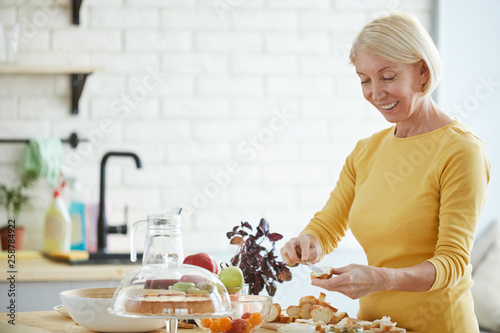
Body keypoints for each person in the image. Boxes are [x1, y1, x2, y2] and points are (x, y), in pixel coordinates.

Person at [280, 11, 490, 333]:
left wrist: (380, 279)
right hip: (377, 326)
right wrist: (307, 242)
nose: (375, 94)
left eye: (388, 77)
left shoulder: (460, 150)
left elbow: (452, 263)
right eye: (364, 80)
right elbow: (329, 225)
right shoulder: (366, 151)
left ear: (423, 72)